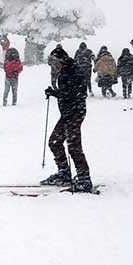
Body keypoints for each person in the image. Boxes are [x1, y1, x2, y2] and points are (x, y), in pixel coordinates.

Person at [42, 47, 93, 193]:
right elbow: (67, 92)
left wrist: (61, 94)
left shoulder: (74, 71)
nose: (53, 66)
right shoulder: (65, 71)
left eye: (54, 62)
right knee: (54, 142)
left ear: (61, 60)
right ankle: (64, 172)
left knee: (74, 146)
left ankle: (84, 179)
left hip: (75, 113)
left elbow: (78, 92)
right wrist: (55, 93)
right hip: (67, 114)